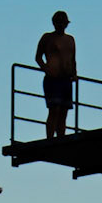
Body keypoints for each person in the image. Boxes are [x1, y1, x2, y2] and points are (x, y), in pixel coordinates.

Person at [35, 11, 77, 139]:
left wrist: (74, 74)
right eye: (58, 22)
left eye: (63, 23)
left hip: (66, 79)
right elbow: (38, 57)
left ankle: (61, 137)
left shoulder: (70, 40)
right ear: (54, 23)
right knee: (54, 109)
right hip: (52, 79)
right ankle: (50, 138)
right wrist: (46, 69)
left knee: (64, 111)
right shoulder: (47, 37)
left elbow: (73, 59)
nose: (60, 25)